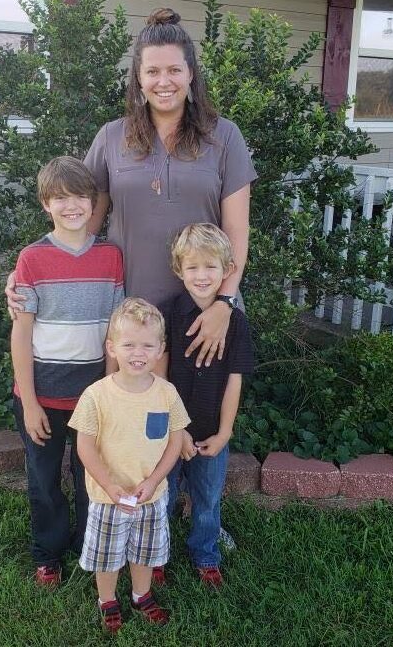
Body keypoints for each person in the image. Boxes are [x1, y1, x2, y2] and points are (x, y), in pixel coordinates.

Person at [8, 7, 256, 368]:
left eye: (174, 70)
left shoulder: (225, 136)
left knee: (199, 415)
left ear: (191, 75)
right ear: (138, 79)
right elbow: (81, 223)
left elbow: (236, 231)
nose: (164, 81)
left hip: (204, 310)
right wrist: (27, 277)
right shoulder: (111, 137)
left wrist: (225, 303)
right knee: (133, 417)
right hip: (131, 317)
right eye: (152, 71)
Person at [10, 156, 124, 588]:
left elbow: (115, 329)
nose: (71, 206)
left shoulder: (110, 256)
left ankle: (89, 546)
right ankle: (48, 554)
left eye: (79, 196)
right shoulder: (32, 259)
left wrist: (111, 392)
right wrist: (30, 402)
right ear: (45, 204)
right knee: (43, 480)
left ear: (94, 202)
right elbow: (21, 335)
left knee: (89, 476)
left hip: (92, 396)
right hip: (41, 395)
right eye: (60, 198)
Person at [69, 298, 190, 634]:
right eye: (129, 345)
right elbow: (85, 447)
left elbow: (175, 442)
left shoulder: (167, 394)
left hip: (150, 497)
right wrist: (110, 486)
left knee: (144, 552)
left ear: (160, 350)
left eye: (148, 345)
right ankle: (107, 599)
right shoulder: (96, 395)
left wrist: (153, 481)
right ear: (112, 348)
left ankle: (141, 594)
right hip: (110, 498)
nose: (139, 353)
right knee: (107, 555)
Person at [158, 224, 254, 588]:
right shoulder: (166, 315)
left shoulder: (236, 323)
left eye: (210, 267)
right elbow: (160, 379)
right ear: (178, 270)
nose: (202, 276)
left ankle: (206, 554)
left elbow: (235, 380)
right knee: (162, 496)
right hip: (168, 430)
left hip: (213, 430)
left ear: (227, 269)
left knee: (208, 498)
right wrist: (175, 429)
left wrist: (225, 432)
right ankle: (156, 556)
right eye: (193, 267)